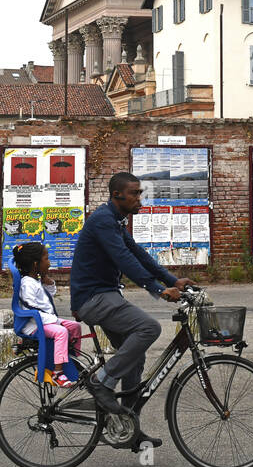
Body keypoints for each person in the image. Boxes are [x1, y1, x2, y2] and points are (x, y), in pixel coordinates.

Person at [71, 172, 193, 430]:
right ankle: (101, 382)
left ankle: (127, 425)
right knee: (149, 328)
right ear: (117, 195)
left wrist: (173, 279)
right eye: (135, 193)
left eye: (140, 193)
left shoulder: (116, 220)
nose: (140, 199)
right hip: (93, 298)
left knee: (134, 356)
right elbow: (123, 259)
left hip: (105, 295)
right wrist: (159, 290)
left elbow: (137, 253)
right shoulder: (103, 221)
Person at [12, 242, 85, 387]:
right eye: (46, 258)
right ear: (35, 264)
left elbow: (47, 298)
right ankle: (58, 372)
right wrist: (54, 321)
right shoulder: (27, 284)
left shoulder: (35, 281)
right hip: (33, 325)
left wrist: (48, 282)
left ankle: (72, 361)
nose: (49, 262)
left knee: (75, 327)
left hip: (45, 321)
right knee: (61, 332)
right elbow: (29, 308)